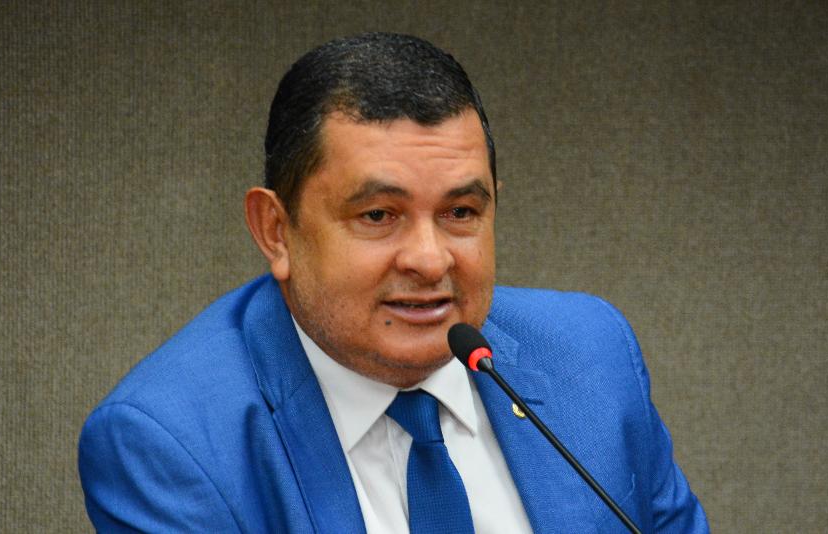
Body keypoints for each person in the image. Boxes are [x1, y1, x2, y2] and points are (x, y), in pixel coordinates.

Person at [78, 32, 709, 533]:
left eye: (460, 212)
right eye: (379, 216)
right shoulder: (171, 443)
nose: (431, 261)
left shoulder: (592, 358)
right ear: (276, 231)